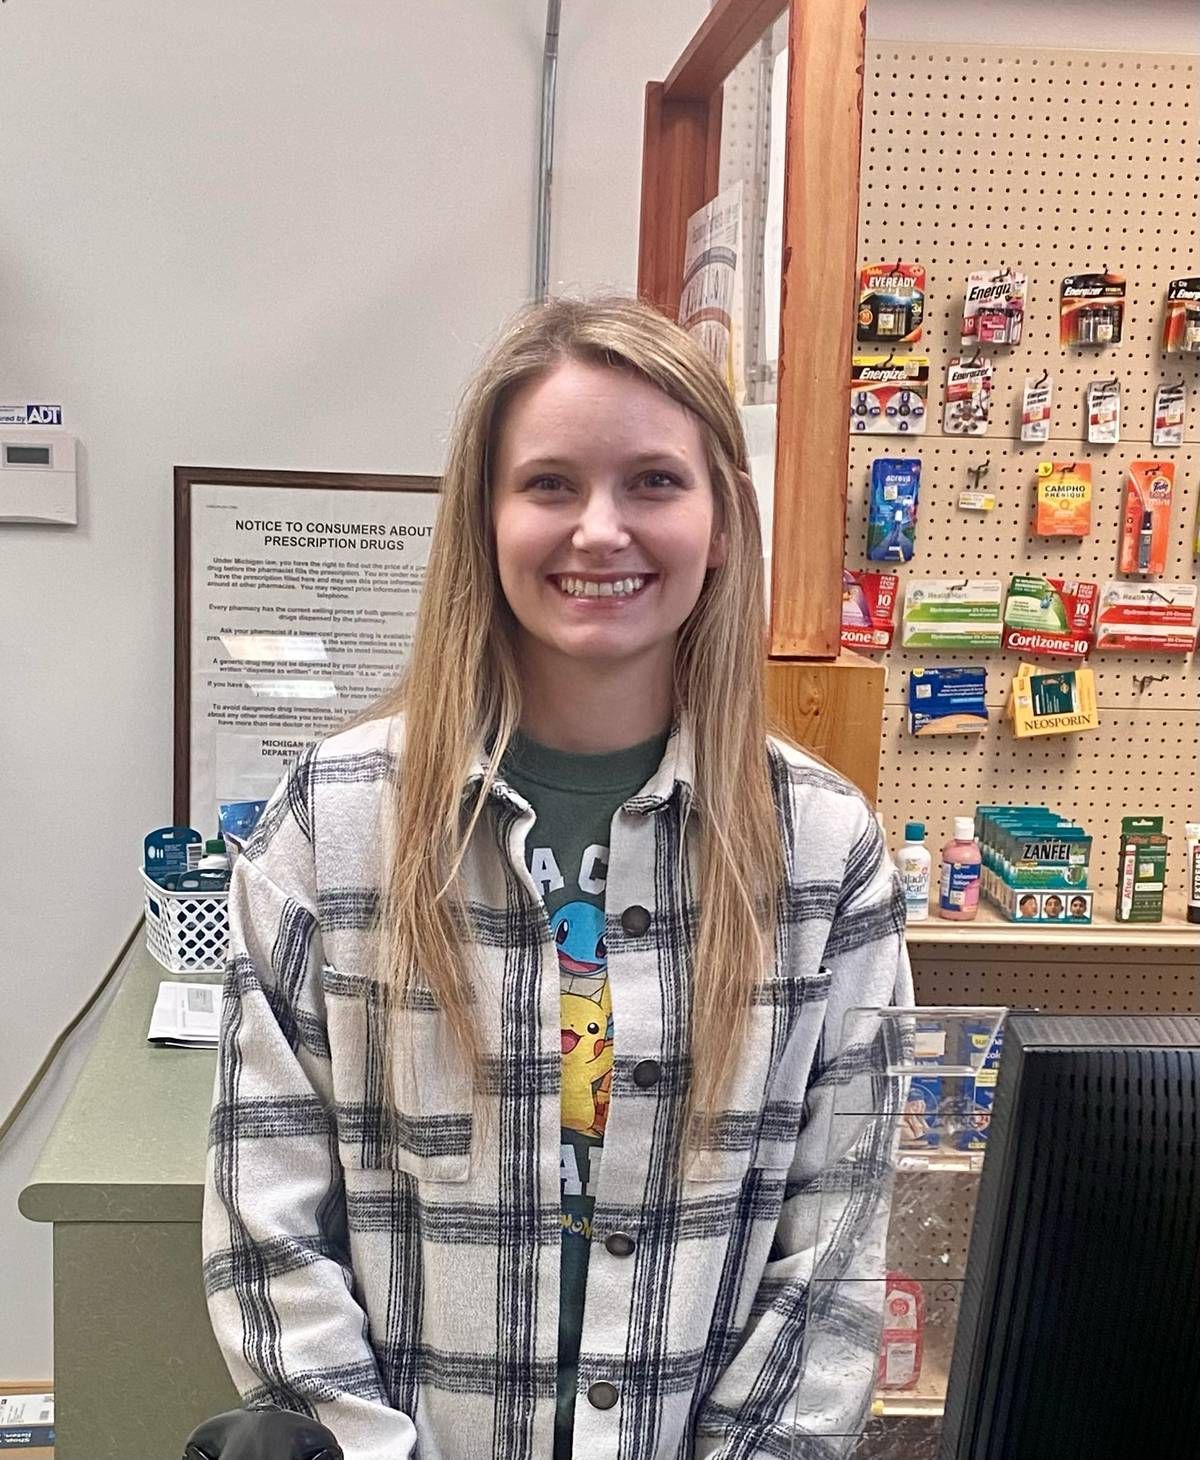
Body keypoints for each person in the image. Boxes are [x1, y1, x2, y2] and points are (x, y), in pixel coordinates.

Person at [202, 296, 912, 1460]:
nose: (600, 529)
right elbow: (266, 1224)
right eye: (548, 485)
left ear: (722, 520)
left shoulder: (822, 852)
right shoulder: (332, 827)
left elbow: (833, 1251)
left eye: (652, 482)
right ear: (484, 519)